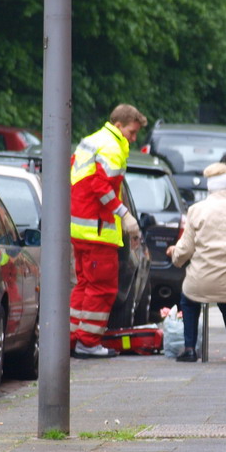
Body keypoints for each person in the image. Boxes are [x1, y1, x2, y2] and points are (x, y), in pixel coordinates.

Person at [69, 104, 148, 358]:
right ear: (118, 126)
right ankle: (88, 342)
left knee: (84, 285)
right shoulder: (112, 148)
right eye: (132, 132)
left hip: (81, 228)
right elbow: (101, 188)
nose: (133, 139)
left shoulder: (91, 141)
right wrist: (124, 215)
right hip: (98, 230)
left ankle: (72, 338)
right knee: (102, 288)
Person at [167, 162, 226, 363]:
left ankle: (190, 348)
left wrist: (175, 257)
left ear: (209, 186)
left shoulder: (196, 210)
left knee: (189, 298)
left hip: (204, 281)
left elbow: (186, 249)